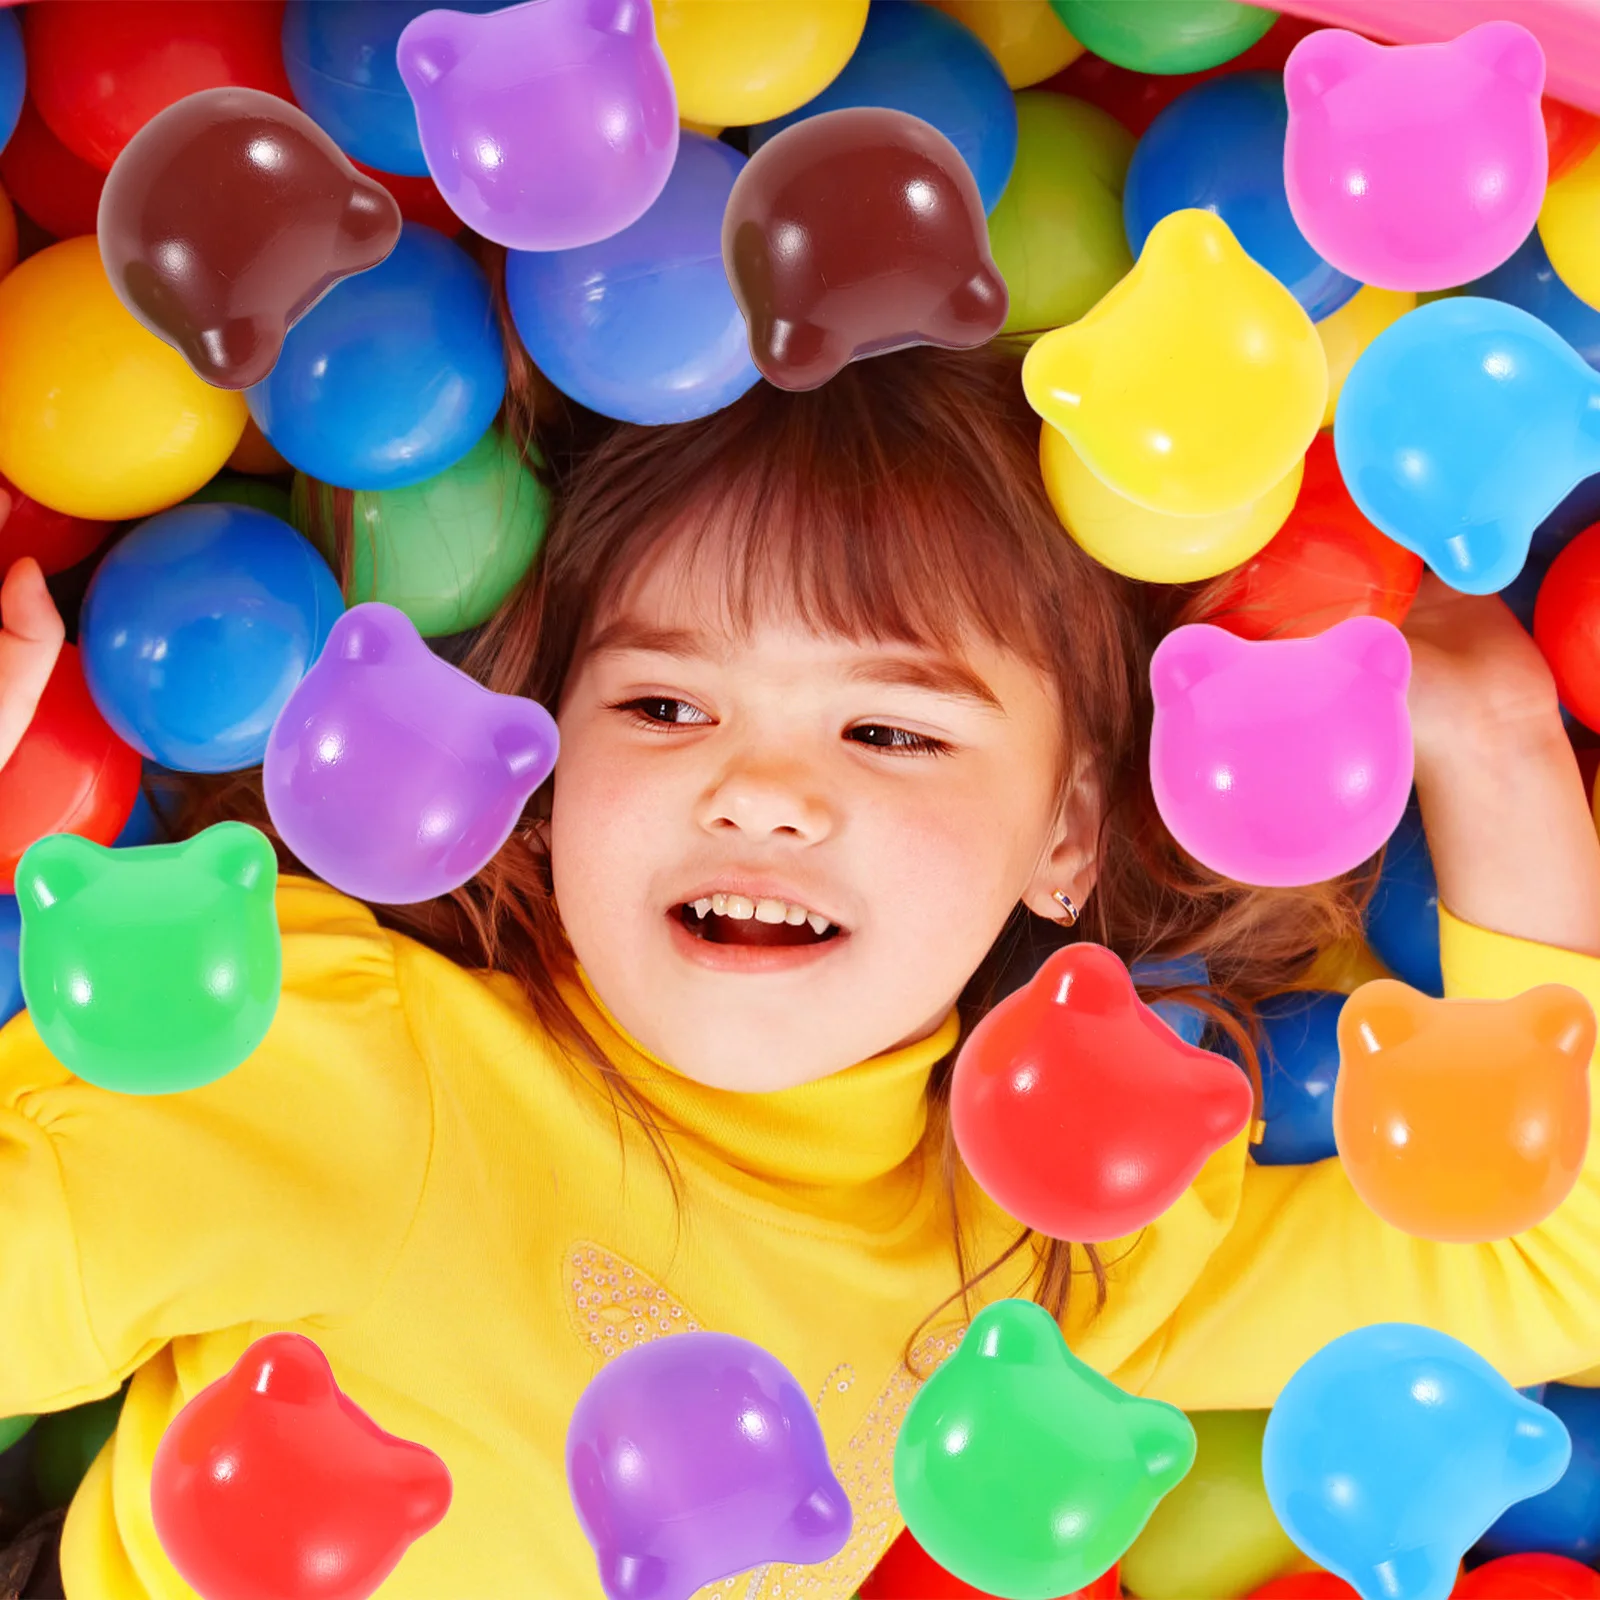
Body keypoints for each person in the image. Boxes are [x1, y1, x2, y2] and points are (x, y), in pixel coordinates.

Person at [1, 340, 1598, 1600]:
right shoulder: (358, 1071)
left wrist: (1493, 732)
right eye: (663, 709)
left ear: (1070, 834)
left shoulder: (1040, 1254)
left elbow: (1545, 1265)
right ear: (541, 786)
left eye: (890, 729)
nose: (759, 789)